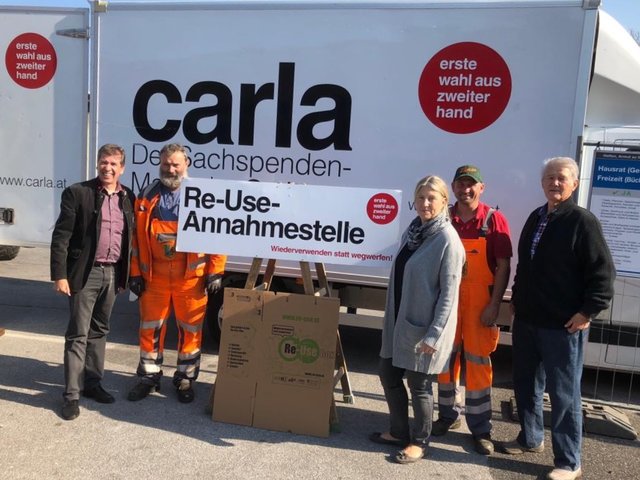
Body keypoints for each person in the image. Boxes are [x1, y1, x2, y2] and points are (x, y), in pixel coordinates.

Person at [501, 157, 614, 480]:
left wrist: (587, 311)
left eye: (562, 178)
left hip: (563, 326)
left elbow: (603, 273)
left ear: (574, 184)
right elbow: (526, 265)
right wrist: (517, 300)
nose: (555, 183)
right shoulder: (537, 217)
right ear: (542, 183)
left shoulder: (582, 222)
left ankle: (568, 462)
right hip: (528, 320)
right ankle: (530, 438)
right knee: (526, 385)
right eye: (550, 177)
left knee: (564, 396)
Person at [370, 175, 465, 464]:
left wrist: (434, 335)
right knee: (387, 373)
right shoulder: (414, 231)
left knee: (420, 385)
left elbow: (449, 295)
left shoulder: (447, 239)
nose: (425, 203)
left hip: (424, 328)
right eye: (421, 197)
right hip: (400, 322)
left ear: (444, 202)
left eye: (431, 198)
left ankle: (420, 442)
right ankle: (399, 431)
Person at [127, 143, 227, 404]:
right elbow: (136, 240)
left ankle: (185, 377)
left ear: (187, 165)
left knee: (191, 330)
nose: (170, 169)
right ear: (160, 164)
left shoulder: (203, 195)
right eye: (166, 164)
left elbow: (217, 235)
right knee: (150, 328)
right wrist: (135, 273)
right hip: (155, 278)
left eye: (176, 164)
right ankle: (148, 377)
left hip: (190, 279)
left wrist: (215, 271)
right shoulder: (147, 195)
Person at [50, 144, 135, 421]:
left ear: (122, 168)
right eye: (103, 162)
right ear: (97, 164)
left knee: (100, 331)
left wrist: (124, 275)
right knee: (78, 334)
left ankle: (93, 383)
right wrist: (60, 275)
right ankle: (71, 395)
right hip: (85, 274)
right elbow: (61, 237)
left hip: (112, 274)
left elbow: (129, 241)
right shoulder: (78, 193)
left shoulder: (128, 197)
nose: (107, 168)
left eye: (113, 164)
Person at [432, 165, 512, 455]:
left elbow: (503, 265)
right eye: (460, 184)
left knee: (478, 364)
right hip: (447, 301)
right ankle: (446, 416)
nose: (465, 189)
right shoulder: (444, 217)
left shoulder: (494, 220)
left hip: (480, 305)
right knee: (444, 360)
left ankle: (481, 429)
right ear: (452, 187)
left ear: (481, 188)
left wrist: (494, 305)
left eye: (471, 185)